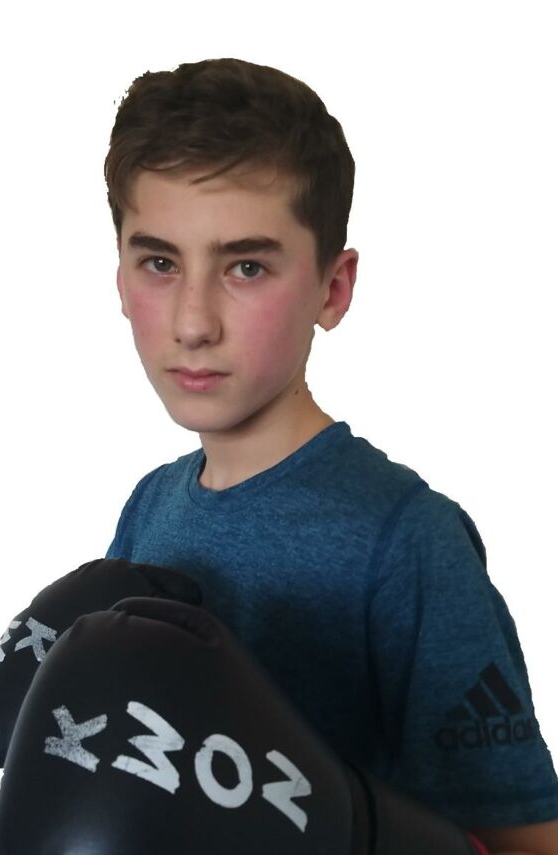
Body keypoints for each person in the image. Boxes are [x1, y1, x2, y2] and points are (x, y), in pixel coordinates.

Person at [102, 57, 558, 854]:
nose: (193, 321)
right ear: (120, 276)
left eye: (247, 266)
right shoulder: (150, 505)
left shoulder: (408, 541)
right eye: (160, 262)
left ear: (333, 288)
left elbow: (527, 843)